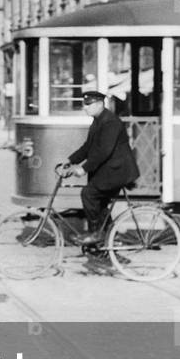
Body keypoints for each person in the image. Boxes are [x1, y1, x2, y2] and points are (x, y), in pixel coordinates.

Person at [63, 90, 139, 247]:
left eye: (88, 104)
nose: (85, 108)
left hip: (118, 171)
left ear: (99, 104)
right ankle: (108, 238)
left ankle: (96, 234)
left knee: (88, 194)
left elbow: (103, 151)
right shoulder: (98, 120)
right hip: (110, 170)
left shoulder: (110, 122)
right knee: (101, 204)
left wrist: (83, 169)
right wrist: (70, 160)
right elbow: (88, 147)